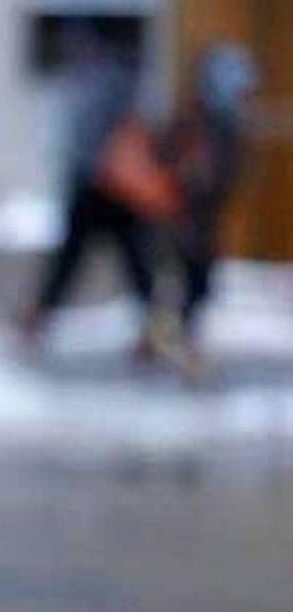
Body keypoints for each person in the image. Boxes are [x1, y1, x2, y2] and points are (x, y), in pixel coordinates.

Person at [20, 29, 157, 351]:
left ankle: (154, 325)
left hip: (107, 184)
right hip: (100, 183)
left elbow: (109, 134)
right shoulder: (99, 80)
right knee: (115, 257)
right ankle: (154, 324)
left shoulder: (108, 82)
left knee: (124, 257)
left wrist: (95, 168)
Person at [164, 45, 257, 370]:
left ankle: (176, 337)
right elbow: (184, 171)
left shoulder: (226, 125)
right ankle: (173, 339)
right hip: (185, 215)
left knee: (199, 283)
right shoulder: (198, 122)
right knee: (188, 280)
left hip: (202, 217)